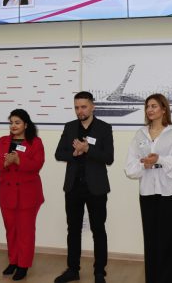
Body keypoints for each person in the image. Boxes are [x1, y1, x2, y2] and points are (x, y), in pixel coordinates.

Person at [125, 94, 172, 283]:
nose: (149, 110)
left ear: (164, 109)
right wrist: (144, 165)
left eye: (154, 106)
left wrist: (159, 159)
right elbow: (130, 167)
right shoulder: (140, 134)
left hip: (170, 192)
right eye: (147, 106)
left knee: (169, 241)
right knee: (151, 241)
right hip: (147, 192)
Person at [54, 91, 113, 283]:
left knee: (98, 230)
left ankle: (99, 272)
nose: (80, 111)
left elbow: (109, 158)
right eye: (77, 107)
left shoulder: (104, 128)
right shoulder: (70, 127)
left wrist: (88, 149)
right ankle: (73, 269)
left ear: (92, 106)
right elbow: (59, 154)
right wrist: (74, 153)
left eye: (83, 107)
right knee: (73, 229)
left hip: (96, 187)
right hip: (73, 187)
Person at [0, 109, 44, 281]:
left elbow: (37, 164)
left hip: (28, 194)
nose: (13, 126)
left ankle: (23, 265)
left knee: (25, 232)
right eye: (11, 122)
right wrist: (5, 162)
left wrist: (19, 160)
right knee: (11, 230)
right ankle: (13, 261)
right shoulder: (3, 140)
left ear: (26, 125)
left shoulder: (35, 142)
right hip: (7, 193)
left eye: (17, 122)